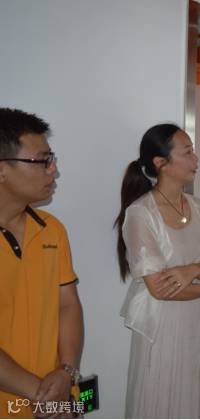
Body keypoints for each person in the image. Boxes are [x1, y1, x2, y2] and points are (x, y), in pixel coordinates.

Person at [115, 123, 200, 418]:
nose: (196, 159)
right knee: (161, 398)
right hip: (162, 327)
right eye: (187, 152)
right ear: (160, 162)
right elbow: (160, 288)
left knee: (193, 394)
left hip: (197, 321)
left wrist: (191, 270)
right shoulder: (141, 213)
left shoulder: (198, 207)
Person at [0, 108, 84, 418]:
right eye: (42, 161)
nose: (53, 170)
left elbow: (68, 305)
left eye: (52, 159)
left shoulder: (52, 229)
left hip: (55, 395)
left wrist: (67, 372)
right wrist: (43, 394)